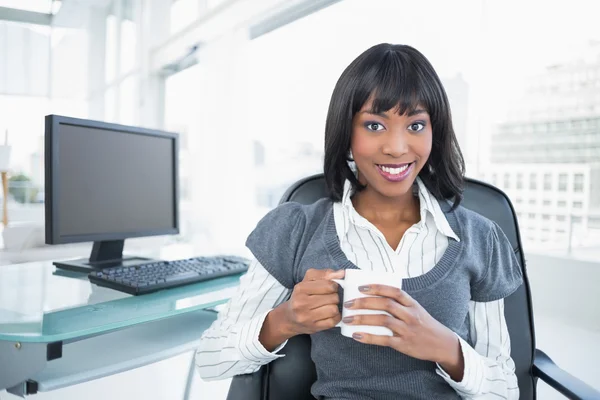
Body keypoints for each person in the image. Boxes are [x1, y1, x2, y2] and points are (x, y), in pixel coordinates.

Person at [195, 43, 523, 399]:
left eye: (415, 124)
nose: (397, 147)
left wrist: (445, 347)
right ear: (347, 133)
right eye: (374, 125)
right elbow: (211, 359)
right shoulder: (296, 229)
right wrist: (286, 319)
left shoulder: (480, 238)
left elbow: (505, 389)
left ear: (435, 132)